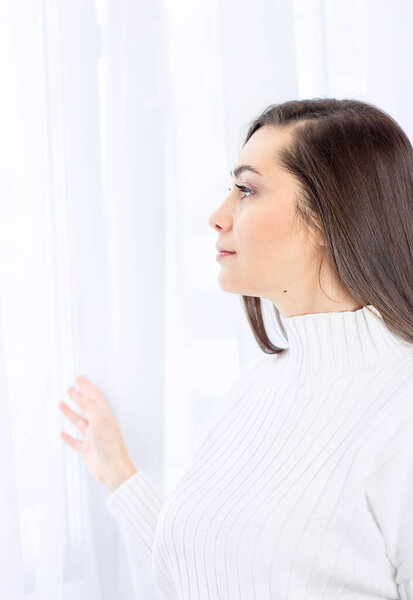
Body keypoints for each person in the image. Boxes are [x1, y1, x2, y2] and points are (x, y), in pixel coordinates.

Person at [59, 98, 413, 599]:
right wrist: (119, 473)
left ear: (333, 216)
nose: (217, 216)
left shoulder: (401, 410)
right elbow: (203, 575)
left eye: (246, 190)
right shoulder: (256, 386)